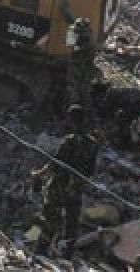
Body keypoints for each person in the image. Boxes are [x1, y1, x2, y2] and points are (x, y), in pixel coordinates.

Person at [34, 104, 99, 254]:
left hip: (59, 186)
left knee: (50, 217)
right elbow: (91, 171)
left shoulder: (69, 141)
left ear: (71, 120)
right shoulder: (92, 144)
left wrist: (38, 174)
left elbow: (54, 165)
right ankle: (67, 253)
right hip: (76, 189)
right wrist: (77, 184)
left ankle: (42, 250)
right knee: (72, 222)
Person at [66, 18, 97, 111]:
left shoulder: (86, 37)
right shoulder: (88, 34)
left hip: (81, 64)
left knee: (75, 84)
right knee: (82, 86)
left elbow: (72, 46)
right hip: (84, 64)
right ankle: (82, 106)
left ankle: (76, 105)